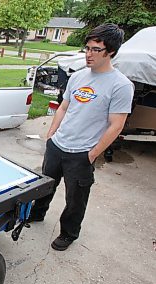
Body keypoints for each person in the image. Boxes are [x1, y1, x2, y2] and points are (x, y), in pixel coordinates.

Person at [28, 23, 134, 251]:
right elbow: (64, 107)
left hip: (82, 154)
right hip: (57, 145)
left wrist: (93, 154)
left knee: (75, 200)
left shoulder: (121, 85)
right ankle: (37, 214)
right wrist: (51, 135)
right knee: (46, 185)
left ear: (111, 52)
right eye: (87, 48)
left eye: (96, 49)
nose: (88, 54)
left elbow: (116, 126)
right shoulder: (77, 77)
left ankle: (69, 234)